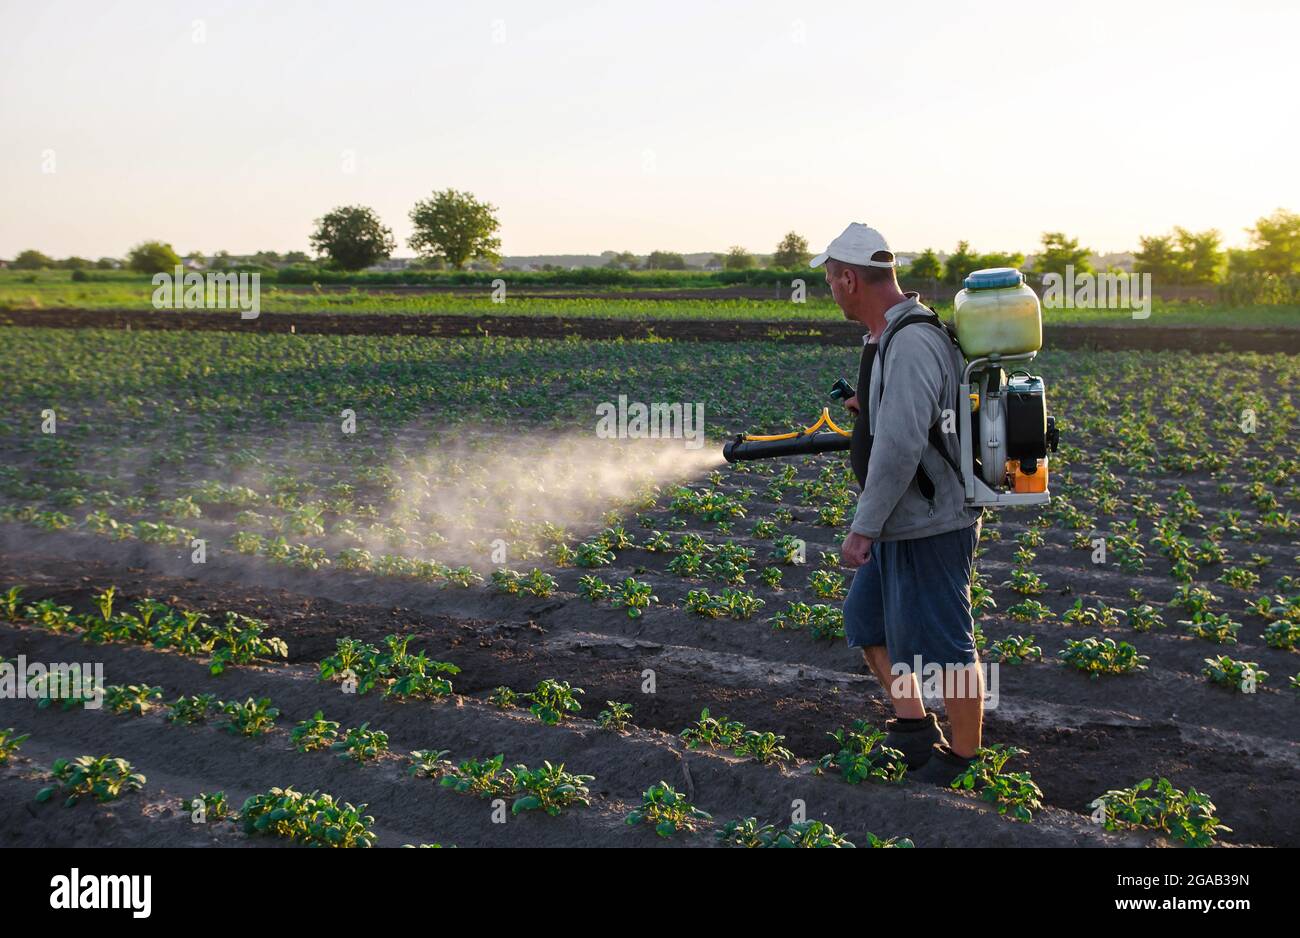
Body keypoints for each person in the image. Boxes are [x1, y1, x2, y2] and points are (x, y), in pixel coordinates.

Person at [810, 222, 985, 784]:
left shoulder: (910, 340)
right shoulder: (888, 336)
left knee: (950, 647)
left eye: (831, 281)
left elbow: (904, 443)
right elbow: (907, 419)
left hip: (929, 521)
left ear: (847, 279)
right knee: (866, 622)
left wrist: (862, 528)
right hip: (900, 519)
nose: (830, 291)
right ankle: (912, 726)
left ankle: (963, 757)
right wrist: (870, 406)